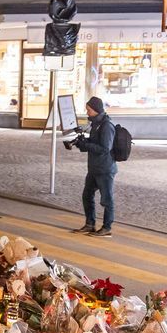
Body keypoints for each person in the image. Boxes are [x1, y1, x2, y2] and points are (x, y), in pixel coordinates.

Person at [70, 96, 117, 238]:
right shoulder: (96, 124)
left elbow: (105, 148)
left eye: (89, 110)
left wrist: (87, 145)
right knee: (87, 195)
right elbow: (94, 143)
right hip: (94, 168)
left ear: (96, 110)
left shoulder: (106, 125)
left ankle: (107, 228)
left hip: (104, 169)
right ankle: (90, 224)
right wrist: (82, 143)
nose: (87, 112)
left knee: (106, 200)